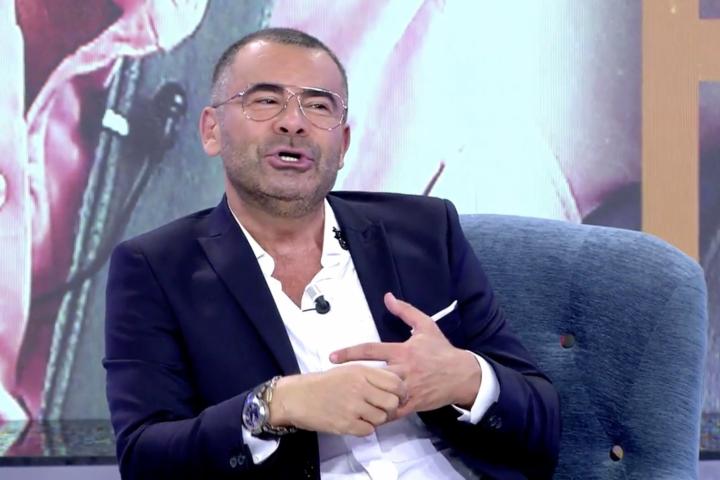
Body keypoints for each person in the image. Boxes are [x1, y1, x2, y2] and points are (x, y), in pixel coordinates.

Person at [104, 28, 560, 479]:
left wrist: (465, 378)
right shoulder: (156, 268)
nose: (293, 122)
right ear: (212, 131)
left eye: (319, 106)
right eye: (266, 100)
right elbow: (145, 459)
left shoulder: (426, 230)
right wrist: (275, 405)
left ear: (342, 146)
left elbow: (543, 421)